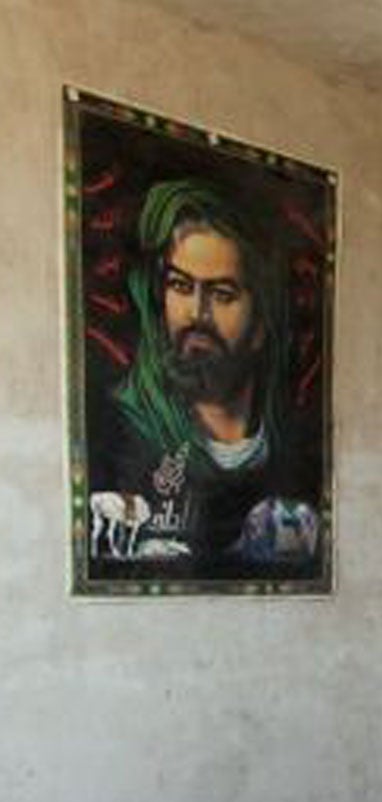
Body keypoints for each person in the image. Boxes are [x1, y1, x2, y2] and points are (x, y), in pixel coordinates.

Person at [88, 177, 321, 576]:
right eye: (180, 286)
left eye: (222, 293)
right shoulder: (116, 434)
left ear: (262, 322)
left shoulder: (299, 453)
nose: (197, 314)